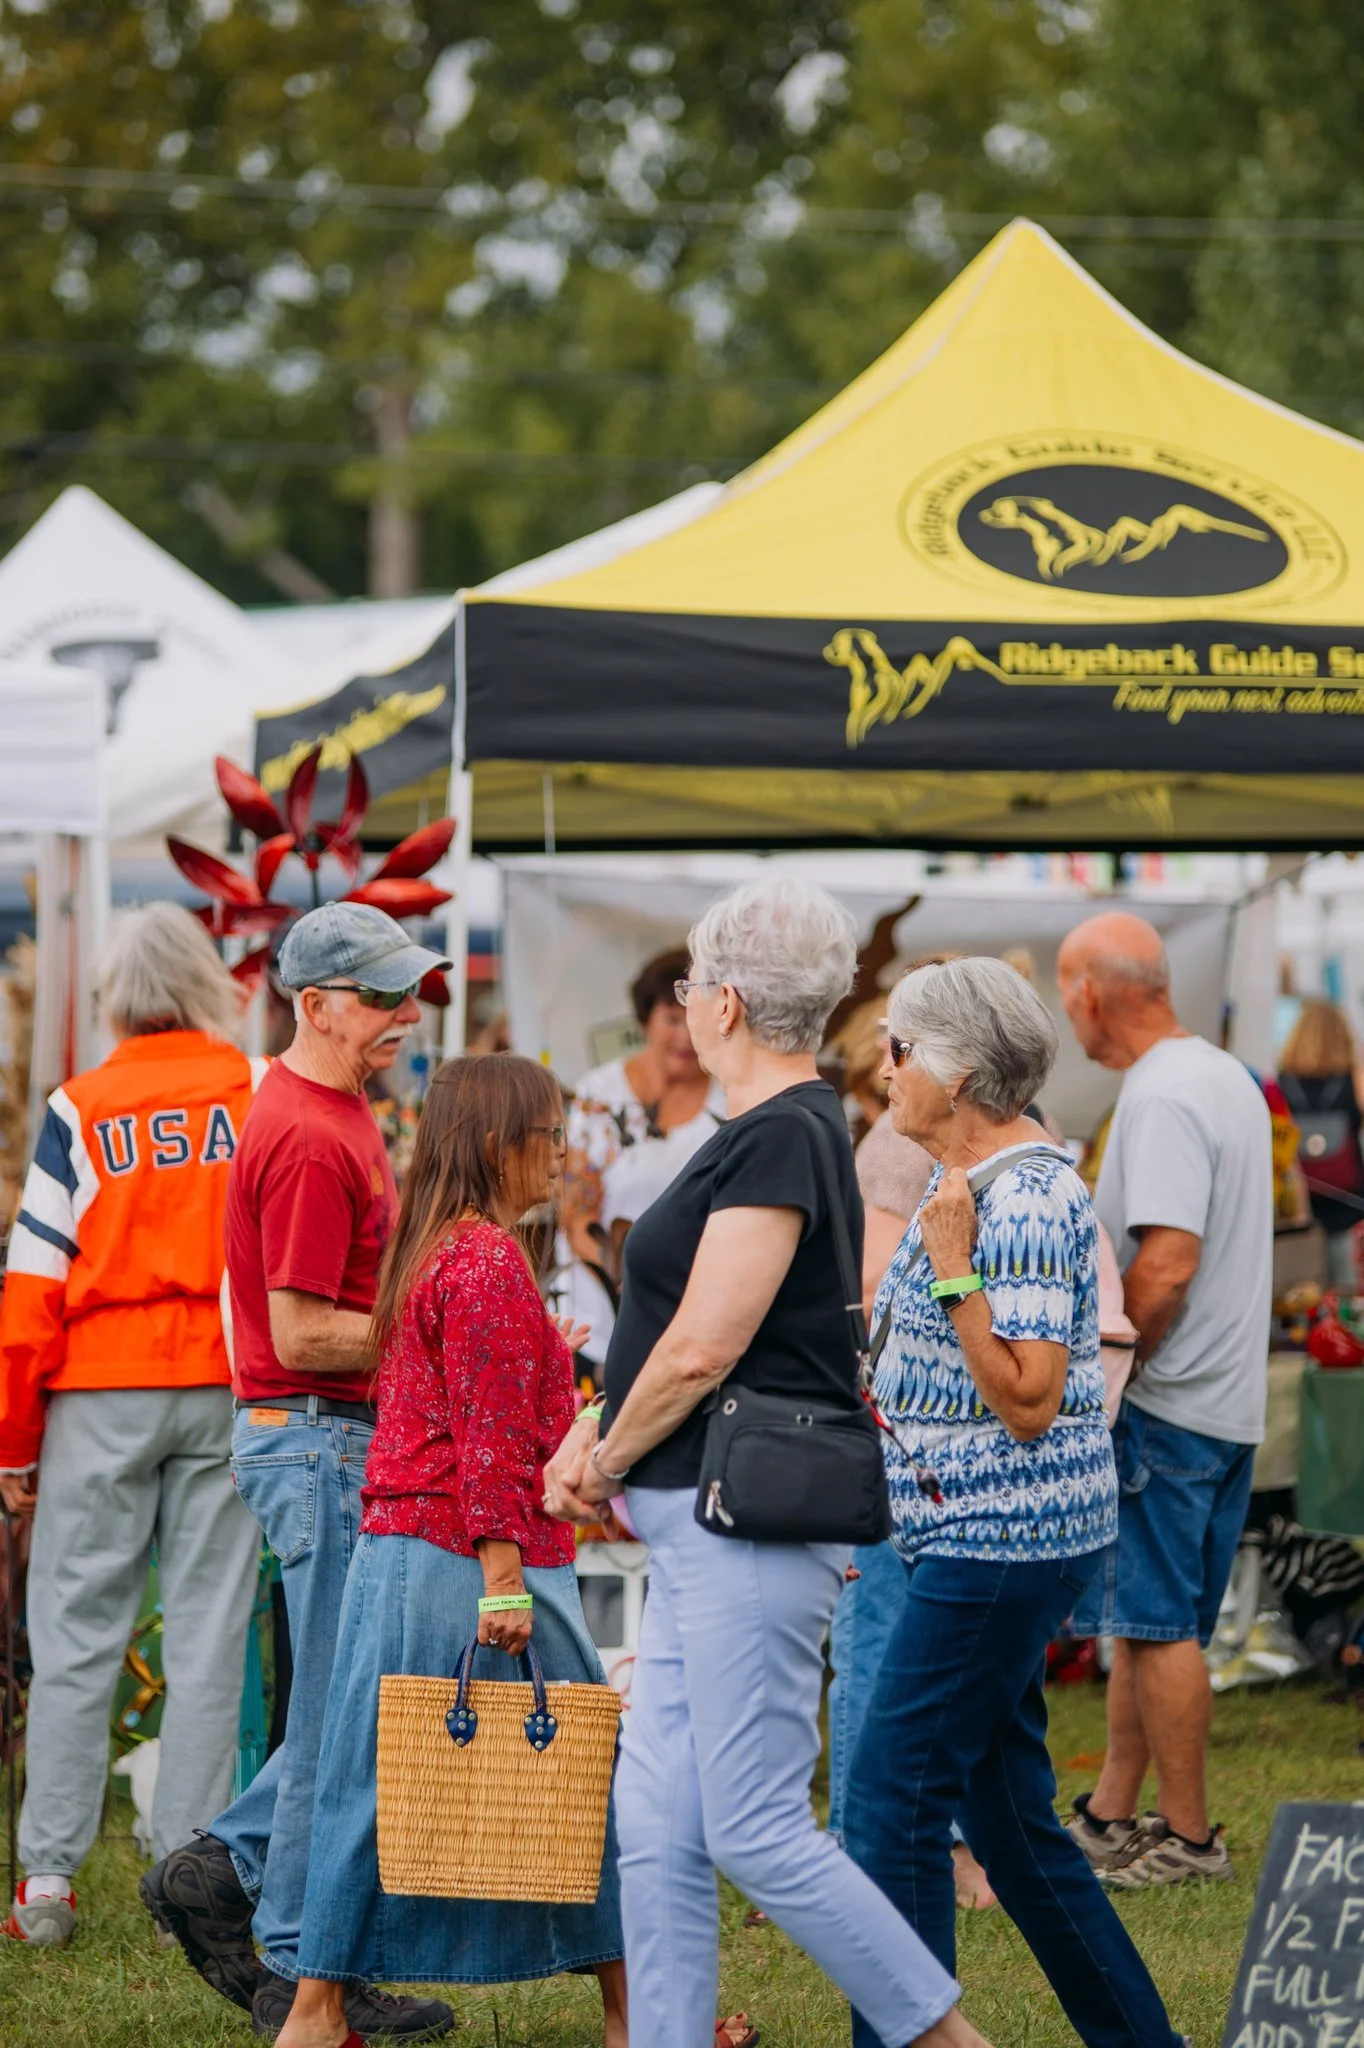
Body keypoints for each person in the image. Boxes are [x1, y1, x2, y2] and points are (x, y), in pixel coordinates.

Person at [544, 875, 997, 2048]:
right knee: (656, 1817)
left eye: (692, 981)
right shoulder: (772, 1131)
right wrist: (602, 1430)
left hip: (741, 1522)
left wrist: (603, 1449)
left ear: (728, 1002)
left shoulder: (781, 1133)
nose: (684, 1000)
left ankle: (945, 2038)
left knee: (748, 1824)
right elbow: (681, 1341)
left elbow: (703, 1345)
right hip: (707, 1526)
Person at [841, 956, 1183, 2048]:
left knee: (888, 1800)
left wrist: (950, 1272)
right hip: (983, 1531)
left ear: (960, 1068)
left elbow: (1029, 1396)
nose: (881, 1064)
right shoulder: (973, 1183)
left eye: (897, 1045)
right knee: (1005, 1819)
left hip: (998, 1537)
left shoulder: (1024, 1194)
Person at [143, 902, 456, 2043]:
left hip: (315, 1432)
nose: (402, 1014)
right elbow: (301, 1327)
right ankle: (294, 1958)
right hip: (316, 1428)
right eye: (379, 997)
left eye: (406, 992)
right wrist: (428, 1333)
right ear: (312, 1004)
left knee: (342, 1704)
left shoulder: (325, 1108)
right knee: (342, 1713)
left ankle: (248, 1894)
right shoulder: (317, 1133)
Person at [269, 1055, 625, 2048]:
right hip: (472, 1558)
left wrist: (540, 1359)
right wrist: (504, 1580)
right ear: (490, 1142)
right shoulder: (487, 1262)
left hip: (405, 1548)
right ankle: (636, 2014)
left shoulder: (432, 1249)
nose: (559, 1151)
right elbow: (489, 1441)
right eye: (543, 1132)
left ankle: (315, 2008)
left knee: (362, 1785)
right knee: (584, 1787)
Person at [0, 904, 264, 1947]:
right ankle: (186, 1883)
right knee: (208, 1634)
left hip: (98, 1389)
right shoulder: (255, 1092)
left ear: (116, 991)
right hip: (232, 1383)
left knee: (75, 1631)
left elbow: (29, 1292)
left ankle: (48, 1883)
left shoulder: (80, 1104)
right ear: (208, 981)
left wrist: (14, 1446)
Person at [1056, 911, 1272, 1888]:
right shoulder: (1217, 1071)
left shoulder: (1158, 1095)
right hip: (1222, 1400)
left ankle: (1186, 1837)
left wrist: (1113, 1371)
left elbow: (1167, 1260)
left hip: (1168, 1400)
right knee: (1147, 1619)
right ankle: (1111, 1808)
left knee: (1154, 1623)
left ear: (1089, 992)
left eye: (1064, 989)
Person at [561, 947, 724, 1365]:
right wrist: (624, 1278)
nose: (684, 1037)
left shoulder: (729, 1100)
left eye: (693, 1018)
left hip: (690, 1323)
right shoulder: (600, 1095)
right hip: (594, 1329)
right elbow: (576, 1214)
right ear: (645, 1020)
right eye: (672, 1018)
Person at [1278, 998, 1364, 1291]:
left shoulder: (1282, 1083)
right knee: (1349, 1289)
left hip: (1303, 1204)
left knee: (1304, 1292)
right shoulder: (1355, 1080)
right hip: (1350, 1201)